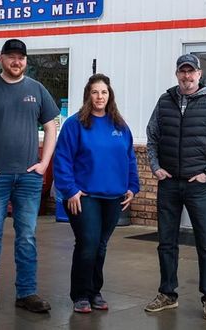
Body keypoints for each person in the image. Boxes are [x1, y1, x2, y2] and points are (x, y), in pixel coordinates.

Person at [0, 38, 60, 315]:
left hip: (28, 178)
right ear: (1, 59)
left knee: (27, 236)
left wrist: (44, 163)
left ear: (26, 61)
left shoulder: (37, 90)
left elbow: (51, 126)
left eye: (21, 58)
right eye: (12, 57)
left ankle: (27, 293)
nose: (17, 62)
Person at [144, 53, 206, 321]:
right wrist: (155, 166)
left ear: (199, 73)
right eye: (182, 71)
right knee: (166, 243)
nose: (187, 76)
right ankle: (167, 294)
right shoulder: (164, 101)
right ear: (177, 74)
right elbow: (152, 137)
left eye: (191, 72)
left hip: (199, 186)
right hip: (169, 184)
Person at [53, 74, 140, 314]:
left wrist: (133, 187)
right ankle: (80, 294)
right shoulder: (75, 124)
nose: (100, 97)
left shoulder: (120, 126)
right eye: (95, 92)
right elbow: (62, 159)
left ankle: (94, 291)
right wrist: (69, 190)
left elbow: (129, 158)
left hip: (114, 197)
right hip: (84, 196)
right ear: (87, 96)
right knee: (88, 244)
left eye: (104, 92)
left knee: (101, 246)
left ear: (109, 95)